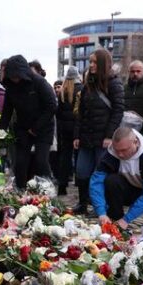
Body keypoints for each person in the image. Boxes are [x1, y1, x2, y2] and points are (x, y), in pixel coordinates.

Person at [73, 49, 124, 214]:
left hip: (103, 138)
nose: (91, 65)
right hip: (87, 137)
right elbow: (81, 112)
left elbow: (118, 111)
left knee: (101, 175)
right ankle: (82, 203)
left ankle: (101, 207)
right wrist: (77, 135)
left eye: (94, 62)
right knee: (81, 171)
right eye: (90, 62)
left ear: (102, 63)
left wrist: (110, 136)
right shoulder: (89, 84)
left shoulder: (114, 84)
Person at [0, 55, 58, 190]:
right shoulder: (10, 87)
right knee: (20, 162)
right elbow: (7, 110)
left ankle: (48, 190)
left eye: (16, 76)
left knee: (41, 161)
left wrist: (36, 127)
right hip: (23, 127)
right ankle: (20, 190)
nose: (15, 79)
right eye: (12, 76)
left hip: (43, 127)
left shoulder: (39, 82)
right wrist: (1, 131)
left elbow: (51, 106)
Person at [55, 67, 81, 195]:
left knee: (64, 156)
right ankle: (79, 183)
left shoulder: (63, 91)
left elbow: (58, 112)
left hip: (64, 128)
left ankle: (62, 185)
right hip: (78, 128)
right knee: (79, 156)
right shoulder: (81, 89)